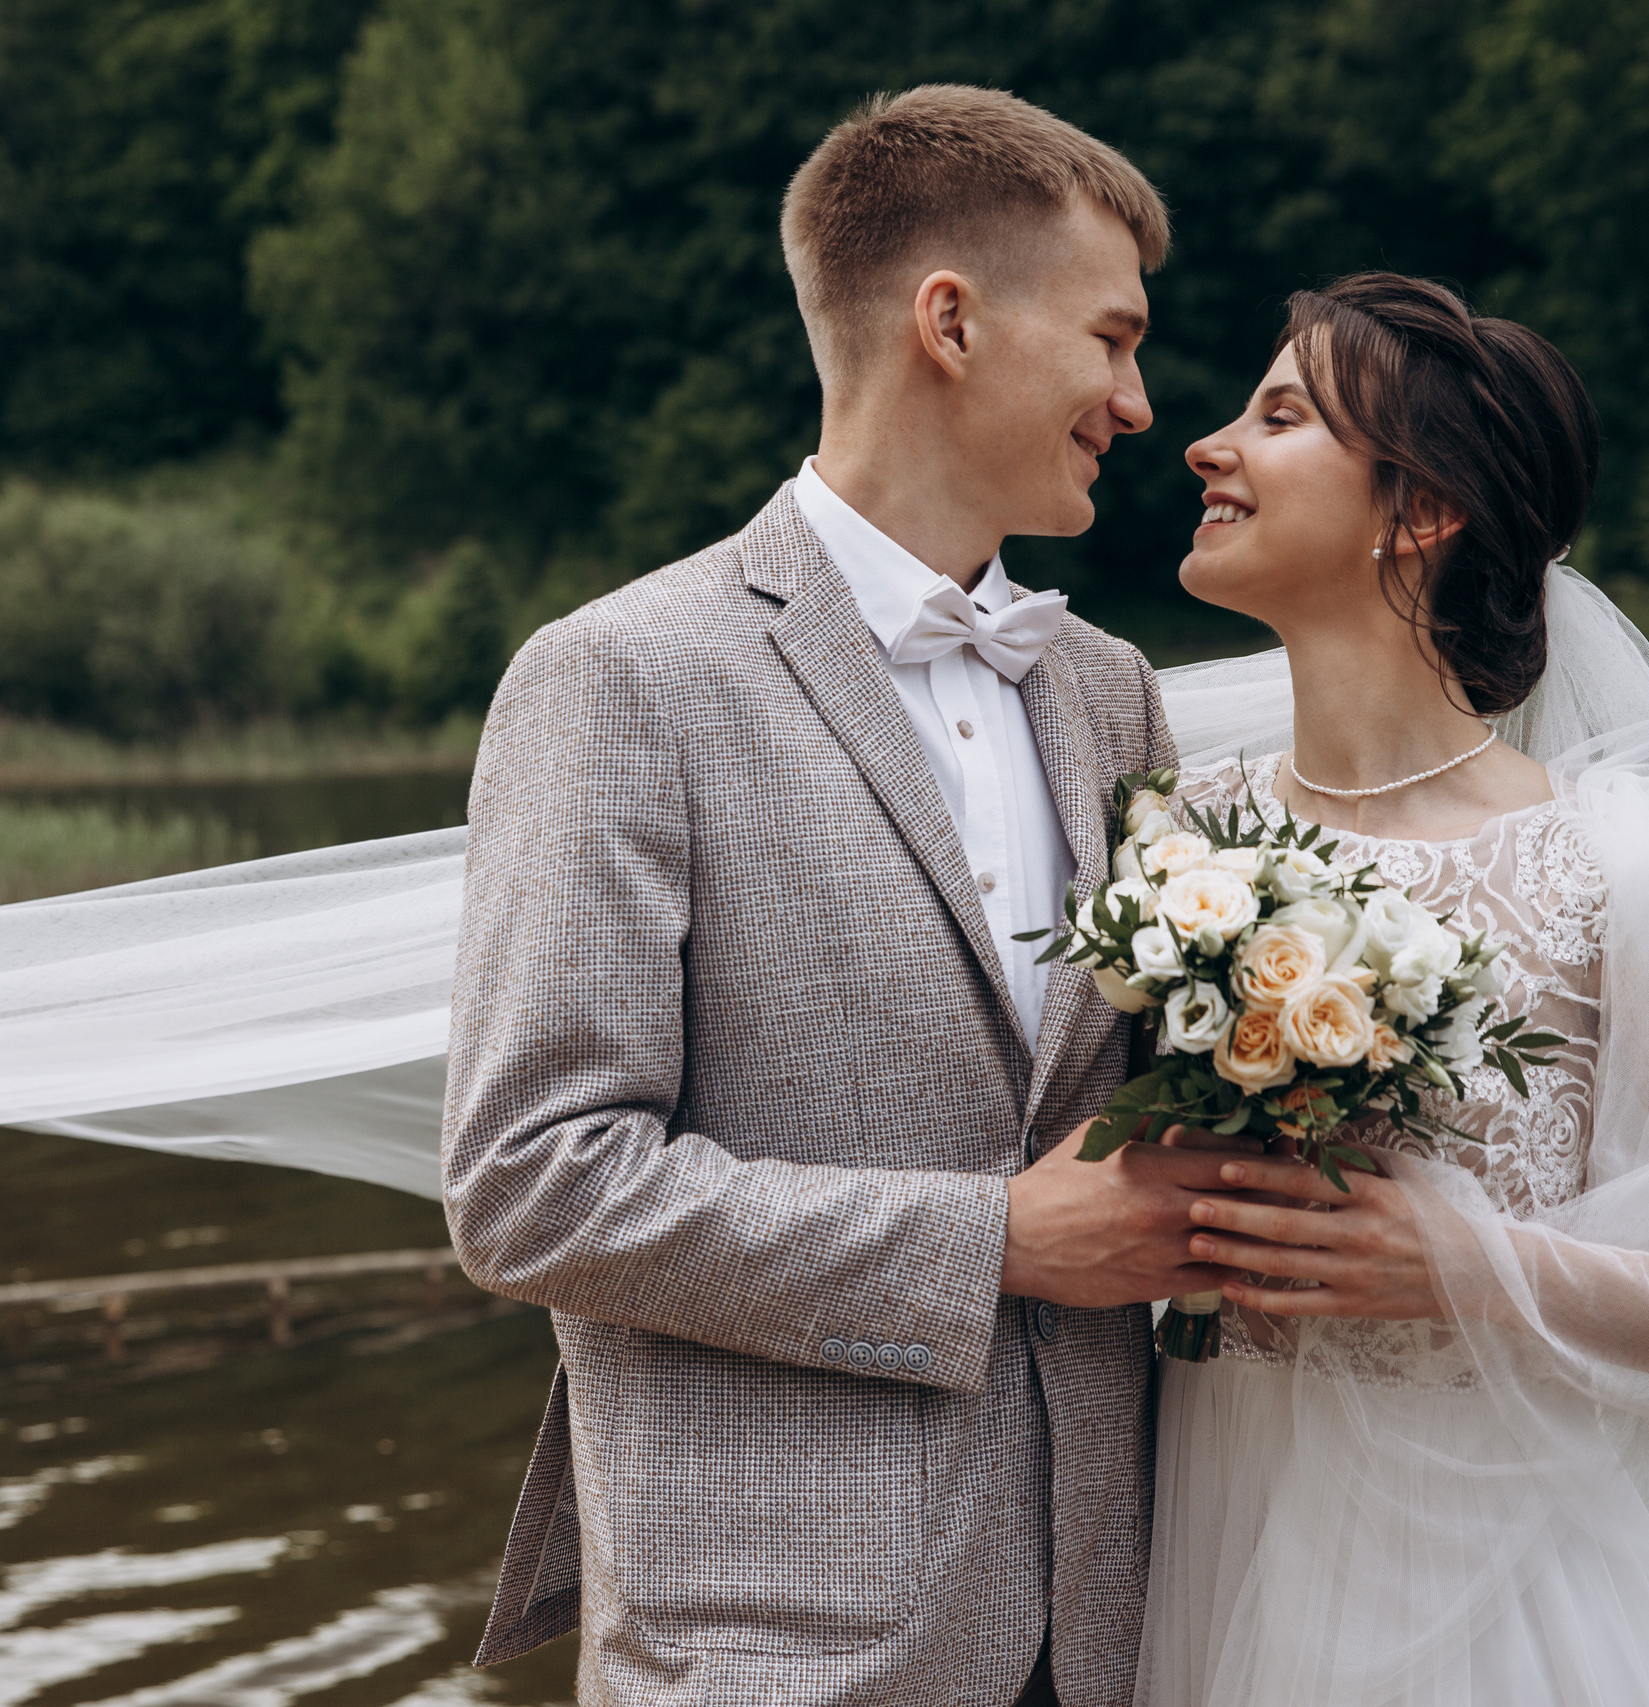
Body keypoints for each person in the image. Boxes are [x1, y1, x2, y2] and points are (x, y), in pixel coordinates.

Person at [440, 86, 1231, 1705]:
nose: (1139, 404)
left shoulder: (1111, 692)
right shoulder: (620, 678)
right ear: (951, 321)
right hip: (779, 1652)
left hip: (1109, 1629)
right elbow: (531, 1185)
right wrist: (991, 1242)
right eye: (1112, 339)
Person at [1134, 273, 1649, 1705]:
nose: (1205, 445)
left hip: (1502, 1602)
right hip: (1208, 1543)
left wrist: (1467, 1268)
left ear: (1419, 510)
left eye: (1278, 416)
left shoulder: (1620, 871)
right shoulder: (1171, 834)